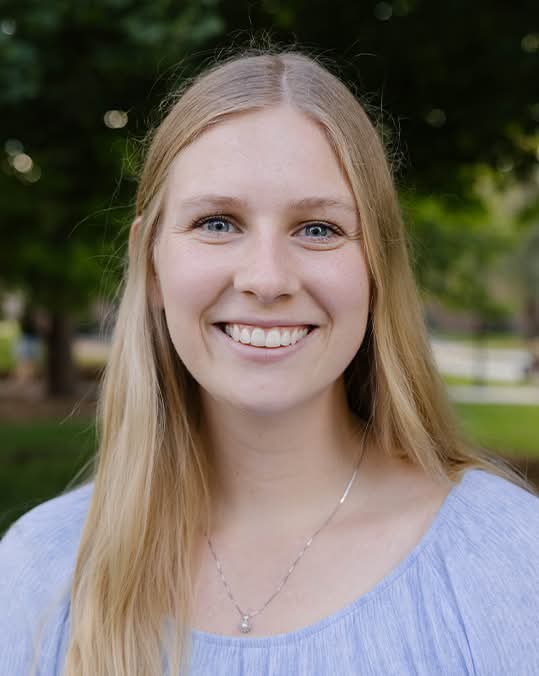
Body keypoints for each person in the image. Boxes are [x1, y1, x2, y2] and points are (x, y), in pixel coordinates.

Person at [1, 48, 538, 676]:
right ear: (150, 263)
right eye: (218, 222)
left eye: (317, 229)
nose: (266, 278)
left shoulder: (509, 561)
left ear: (377, 267)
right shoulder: (39, 570)